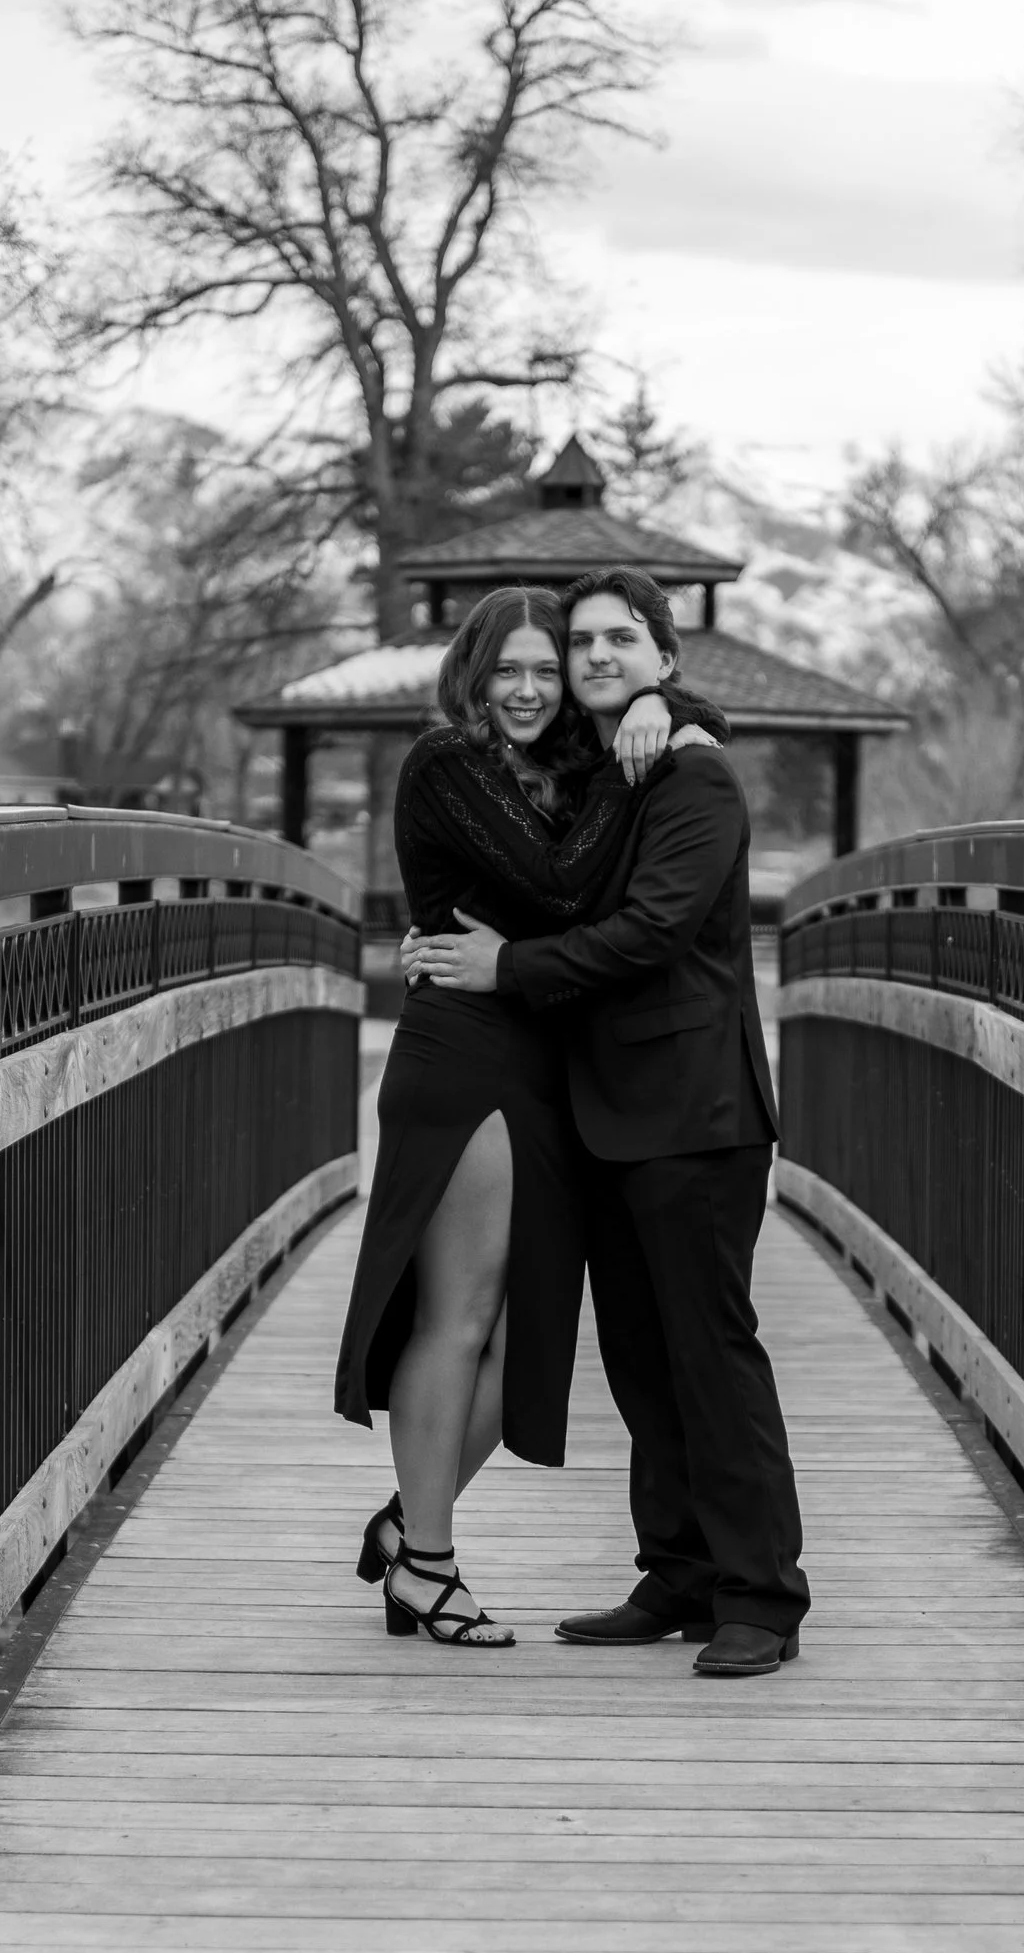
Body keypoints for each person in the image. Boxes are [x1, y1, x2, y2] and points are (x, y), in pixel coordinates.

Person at [405, 568, 809, 1680]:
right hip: (603, 1114)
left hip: (690, 1110)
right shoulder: (603, 765)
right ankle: (677, 1571)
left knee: (710, 1355)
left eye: (616, 642)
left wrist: (503, 967)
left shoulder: (692, 776)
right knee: (640, 1359)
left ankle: (761, 1596)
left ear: (662, 657)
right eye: (576, 643)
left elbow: (648, 931)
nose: (588, 659)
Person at [333, 584, 725, 1650]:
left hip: (542, 1066)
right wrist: (657, 717)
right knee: (459, 1320)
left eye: (546, 671)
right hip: (467, 1059)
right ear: (471, 670)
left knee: (527, 1344)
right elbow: (561, 886)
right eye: (506, 667)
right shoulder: (447, 765)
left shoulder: (574, 769)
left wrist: (669, 709)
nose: (526, 688)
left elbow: (676, 778)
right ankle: (428, 1562)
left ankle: (410, 1522)